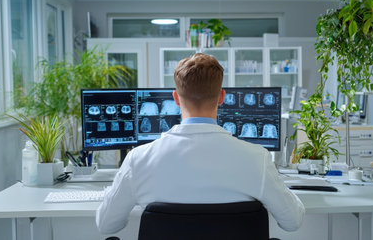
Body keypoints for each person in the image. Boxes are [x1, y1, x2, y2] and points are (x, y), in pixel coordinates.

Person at [96, 53, 305, 234]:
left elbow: (106, 225)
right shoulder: (257, 158)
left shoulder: (139, 159)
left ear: (176, 98)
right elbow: (292, 222)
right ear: (222, 97)